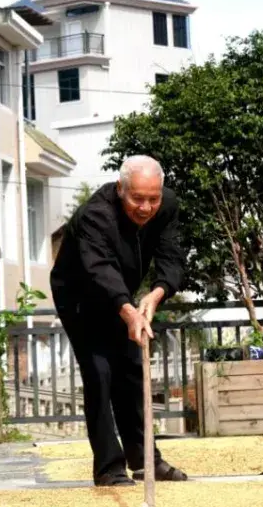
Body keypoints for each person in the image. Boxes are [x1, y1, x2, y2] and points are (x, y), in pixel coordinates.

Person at [50, 155, 188, 487]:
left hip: (122, 292)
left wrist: (155, 295)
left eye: (153, 198)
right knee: (100, 372)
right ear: (119, 189)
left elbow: (172, 256)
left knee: (130, 368)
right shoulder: (95, 215)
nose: (146, 207)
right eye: (137, 198)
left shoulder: (166, 205)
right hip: (80, 295)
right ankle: (109, 468)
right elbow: (100, 270)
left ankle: (145, 461)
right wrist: (127, 310)